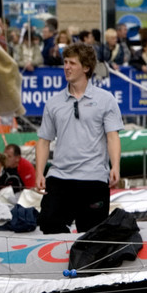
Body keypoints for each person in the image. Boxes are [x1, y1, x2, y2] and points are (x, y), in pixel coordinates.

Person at [34, 42, 121, 235]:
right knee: (47, 223)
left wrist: (115, 166)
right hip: (60, 177)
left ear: (86, 67)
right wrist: (39, 172)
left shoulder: (106, 100)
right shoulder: (53, 103)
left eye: (72, 63)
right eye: (65, 62)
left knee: (92, 233)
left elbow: (112, 136)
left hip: (94, 177)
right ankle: (64, 260)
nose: (66, 67)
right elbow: (43, 140)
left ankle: (82, 260)